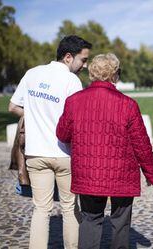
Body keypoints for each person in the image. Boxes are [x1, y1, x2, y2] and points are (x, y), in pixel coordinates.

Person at [56, 53, 153, 249]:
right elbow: (141, 144)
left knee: (90, 219)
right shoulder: (128, 104)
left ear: (92, 74)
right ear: (115, 75)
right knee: (120, 222)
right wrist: (151, 173)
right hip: (122, 174)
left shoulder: (74, 101)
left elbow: (62, 134)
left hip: (88, 172)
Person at [8, 35, 92, 249]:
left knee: (41, 209)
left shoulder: (32, 73)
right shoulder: (72, 81)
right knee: (69, 208)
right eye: (83, 60)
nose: (85, 65)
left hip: (35, 154)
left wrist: (34, 116)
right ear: (68, 57)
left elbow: (13, 107)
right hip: (64, 154)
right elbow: (78, 119)